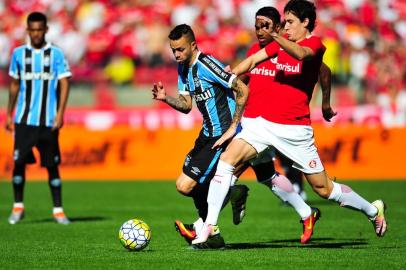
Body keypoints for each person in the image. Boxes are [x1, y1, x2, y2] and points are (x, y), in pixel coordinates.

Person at [192, 0, 387, 246]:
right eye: (285, 22)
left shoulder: (314, 44)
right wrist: (228, 79)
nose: (286, 27)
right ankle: (210, 227)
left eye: (291, 22)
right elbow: (252, 61)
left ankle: (372, 210)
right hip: (261, 126)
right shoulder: (279, 44)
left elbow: (303, 55)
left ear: (305, 22)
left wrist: (325, 103)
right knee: (226, 162)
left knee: (324, 189)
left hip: (294, 130)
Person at [152, 24, 250, 249]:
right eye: (173, 50)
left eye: (180, 49)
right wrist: (166, 98)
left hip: (221, 137)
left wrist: (233, 126)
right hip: (205, 135)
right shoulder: (183, 69)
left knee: (185, 186)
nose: (176, 54)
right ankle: (230, 200)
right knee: (192, 185)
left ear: (193, 45)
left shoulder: (207, 64)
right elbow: (187, 105)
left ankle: (204, 226)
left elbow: (242, 89)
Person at [6, 12, 71, 225]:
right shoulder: (18, 54)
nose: (35, 34)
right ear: (27, 30)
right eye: (32, 30)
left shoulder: (56, 55)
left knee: (52, 164)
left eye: (39, 29)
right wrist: (9, 113)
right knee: (18, 163)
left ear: (45, 30)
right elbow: (14, 85)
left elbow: (64, 83)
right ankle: (18, 207)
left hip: (48, 120)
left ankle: (58, 210)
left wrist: (60, 113)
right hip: (24, 119)